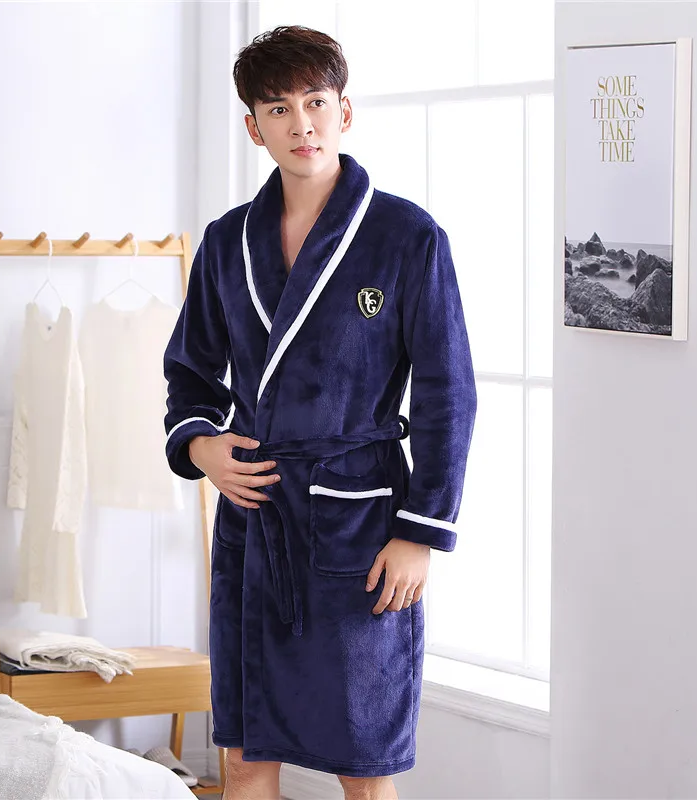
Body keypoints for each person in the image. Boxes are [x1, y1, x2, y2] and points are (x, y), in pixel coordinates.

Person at [163, 25, 477, 800]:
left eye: (315, 102)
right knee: (245, 758)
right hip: (255, 523)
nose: (301, 124)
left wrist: (420, 533)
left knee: (363, 765)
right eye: (278, 108)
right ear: (254, 127)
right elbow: (190, 372)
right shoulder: (226, 241)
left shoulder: (406, 237)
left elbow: (447, 392)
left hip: (359, 526)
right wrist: (201, 448)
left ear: (345, 111)